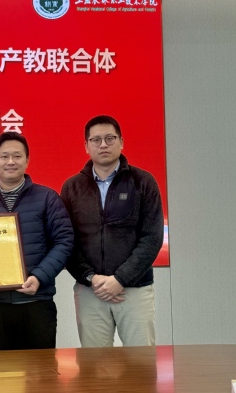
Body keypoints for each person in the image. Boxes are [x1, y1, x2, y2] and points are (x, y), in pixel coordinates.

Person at [0, 132, 74, 350]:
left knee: (40, 369)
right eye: (4, 156)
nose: (11, 162)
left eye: (17, 156)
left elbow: (64, 240)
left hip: (37, 302)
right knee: (0, 370)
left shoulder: (47, 198)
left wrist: (39, 276)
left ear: (27, 160)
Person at [60, 115, 164, 347]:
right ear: (86, 146)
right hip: (91, 291)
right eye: (96, 140)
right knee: (95, 364)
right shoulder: (72, 187)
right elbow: (66, 241)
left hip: (133, 289)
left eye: (110, 138)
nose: (103, 145)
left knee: (140, 362)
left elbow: (152, 237)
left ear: (121, 142)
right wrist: (91, 278)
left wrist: (120, 279)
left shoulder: (143, 182)